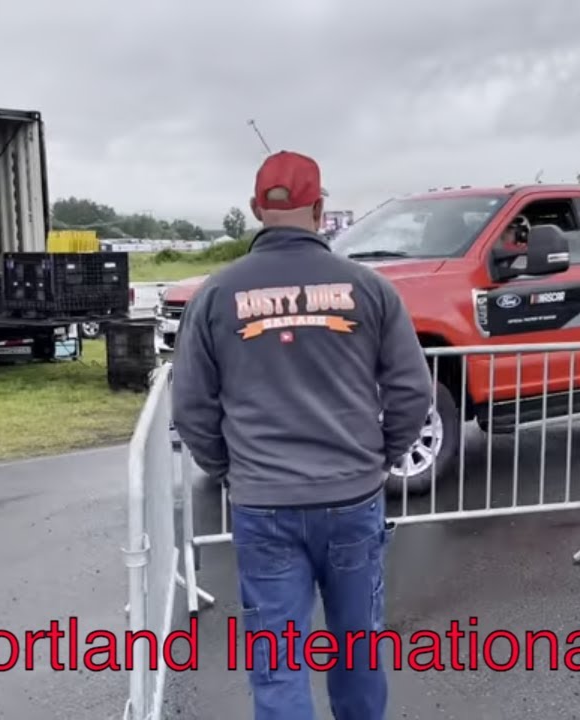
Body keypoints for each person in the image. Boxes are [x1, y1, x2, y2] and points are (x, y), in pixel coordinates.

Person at [172, 150, 433, 720]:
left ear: (255, 208)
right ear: (320, 209)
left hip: (264, 504)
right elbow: (414, 391)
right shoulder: (370, 289)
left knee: (279, 663)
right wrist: (380, 458)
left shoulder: (216, 295)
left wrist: (231, 470)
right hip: (352, 499)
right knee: (357, 651)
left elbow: (191, 406)